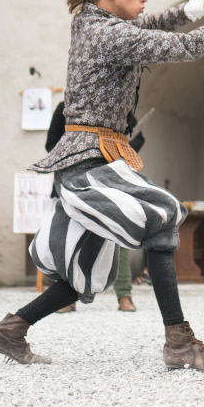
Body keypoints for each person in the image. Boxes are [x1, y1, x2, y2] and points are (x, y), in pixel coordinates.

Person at [0, 0, 204, 371]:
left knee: (82, 269)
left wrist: (198, 8)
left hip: (95, 157)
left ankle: (11, 330)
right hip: (90, 162)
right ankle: (180, 343)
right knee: (162, 216)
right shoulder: (105, 32)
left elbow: (149, 25)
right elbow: (183, 46)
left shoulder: (95, 24)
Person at [43, 100, 144, 313]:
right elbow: (51, 144)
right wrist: (77, 156)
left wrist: (121, 153)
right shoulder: (65, 108)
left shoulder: (115, 105)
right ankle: (66, 298)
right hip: (73, 180)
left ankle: (124, 294)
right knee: (69, 241)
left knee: (118, 237)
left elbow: (132, 140)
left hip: (109, 181)